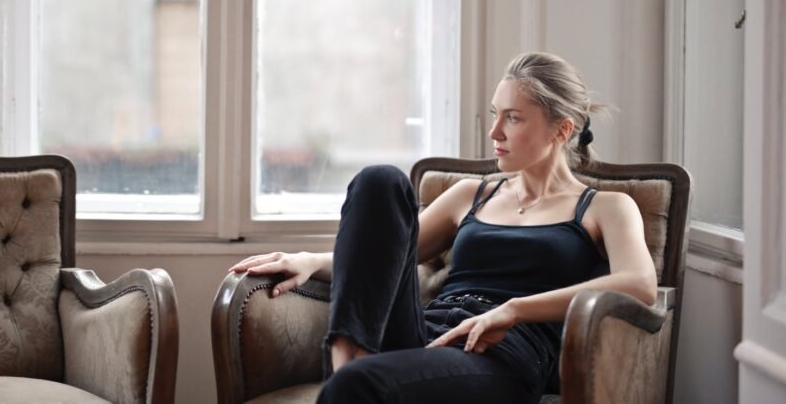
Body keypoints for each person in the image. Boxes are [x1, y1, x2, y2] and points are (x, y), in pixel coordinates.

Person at [229, 52, 657, 403]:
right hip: (425, 334)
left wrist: (514, 308)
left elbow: (639, 285)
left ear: (560, 130)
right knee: (381, 180)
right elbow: (387, 256)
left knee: (358, 387)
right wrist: (309, 261)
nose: (494, 131)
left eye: (513, 118)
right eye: (495, 114)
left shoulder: (606, 207)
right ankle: (347, 350)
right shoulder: (473, 194)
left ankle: (351, 373)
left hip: (501, 354)